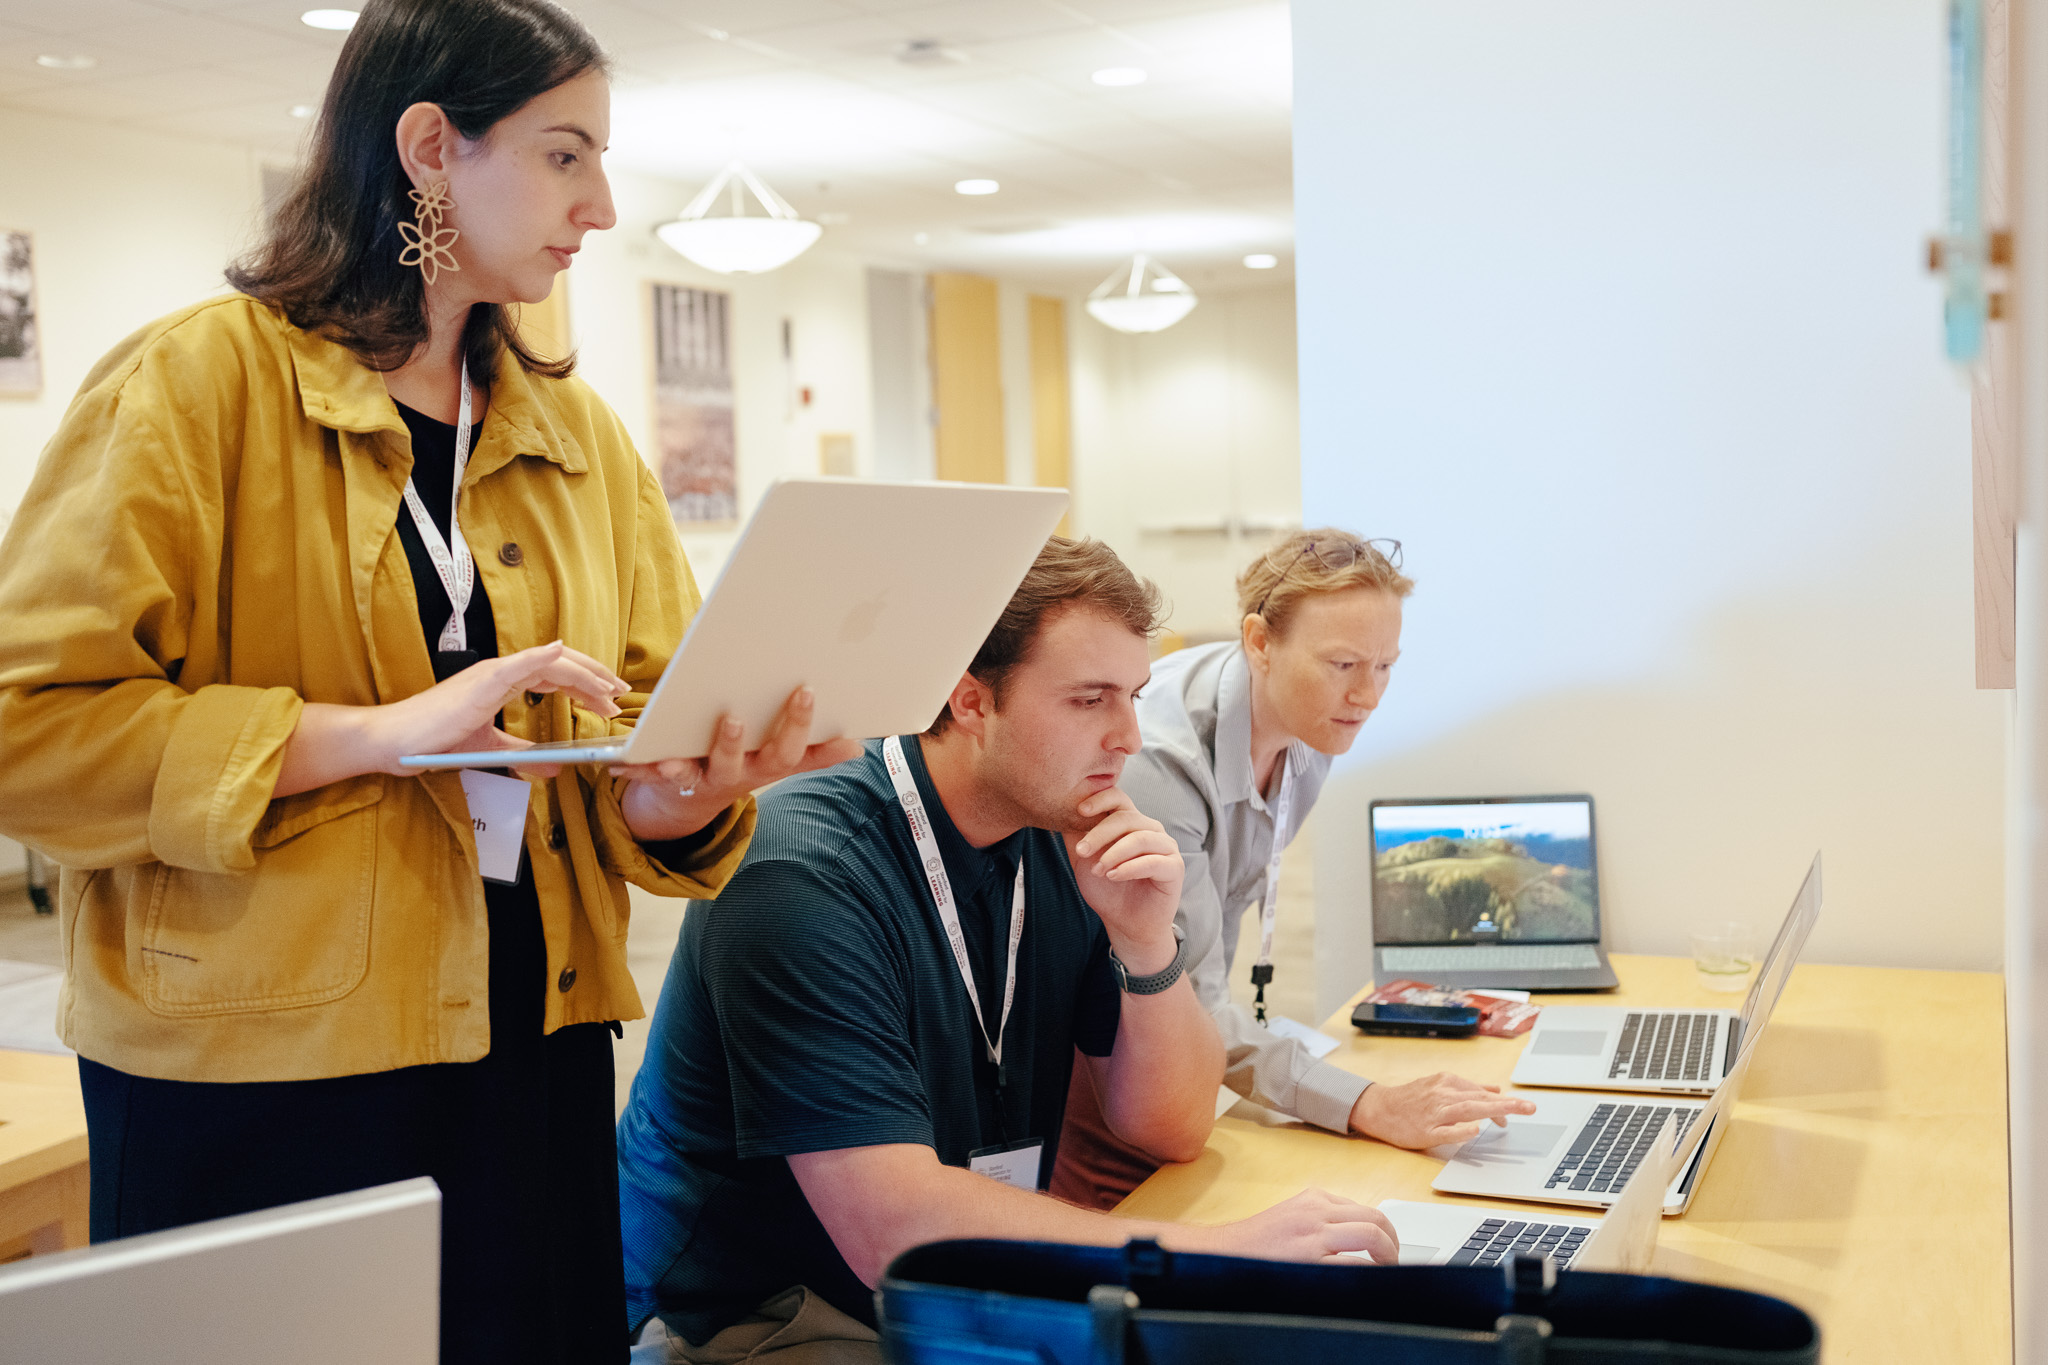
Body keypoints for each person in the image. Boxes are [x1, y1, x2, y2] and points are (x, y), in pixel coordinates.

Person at [0, 3, 853, 1361]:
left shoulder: (577, 436)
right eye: (567, 156)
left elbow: (635, 727)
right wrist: (368, 736)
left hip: (532, 1040)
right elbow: (26, 732)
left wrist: (677, 794)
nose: (604, 205)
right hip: (263, 1066)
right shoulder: (193, 385)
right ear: (428, 147)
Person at [617, 537, 1400, 1364]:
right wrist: (1217, 1250)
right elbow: (895, 1230)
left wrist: (1143, 940)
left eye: (1133, 694)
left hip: (939, 1291)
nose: (1129, 736)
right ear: (969, 701)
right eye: (1089, 700)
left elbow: (1169, 1125)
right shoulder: (801, 872)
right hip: (754, 1317)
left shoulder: (1063, 831)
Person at [1051, 531, 1535, 1209]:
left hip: (1178, 1049)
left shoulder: (1314, 723)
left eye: (1386, 665)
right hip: (1100, 1065)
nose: (1367, 694)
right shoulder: (1159, 764)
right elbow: (1187, 994)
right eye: (1342, 662)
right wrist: (1367, 1102)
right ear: (1259, 641)